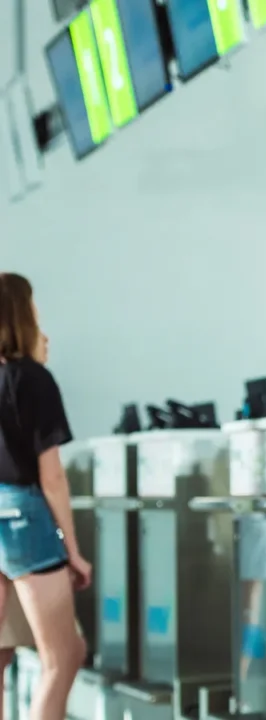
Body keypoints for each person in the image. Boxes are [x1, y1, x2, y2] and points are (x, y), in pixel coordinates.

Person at [0, 273, 92, 720]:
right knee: (64, 655)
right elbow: (51, 477)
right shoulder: (31, 379)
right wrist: (71, 551)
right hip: (23, 520)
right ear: (22, 315)